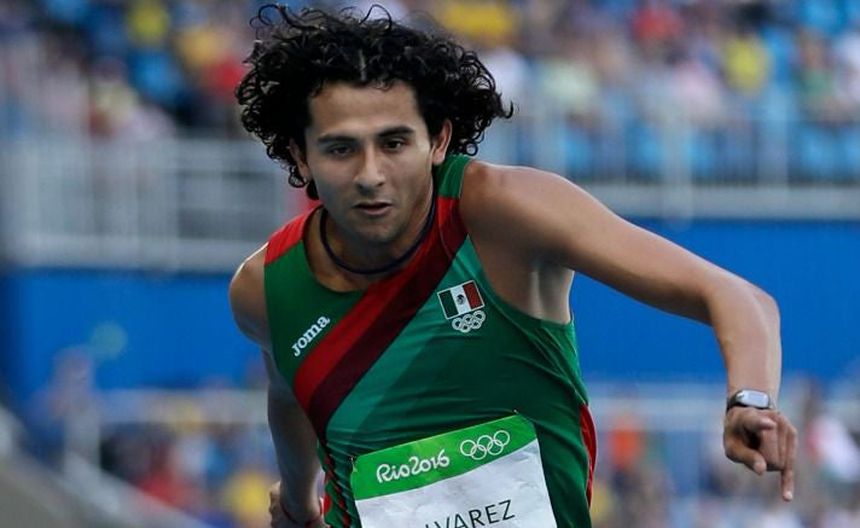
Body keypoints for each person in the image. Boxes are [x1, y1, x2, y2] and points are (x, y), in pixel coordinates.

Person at [228, 5, 797, 527]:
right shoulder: (264, 289)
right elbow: (289, 392)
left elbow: (738, 297)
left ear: (438, 140)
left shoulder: (504, 213)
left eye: (394, 143)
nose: (371, 174)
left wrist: (749, 401)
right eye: (341, 149)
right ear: (301, 155)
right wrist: (299, 501)